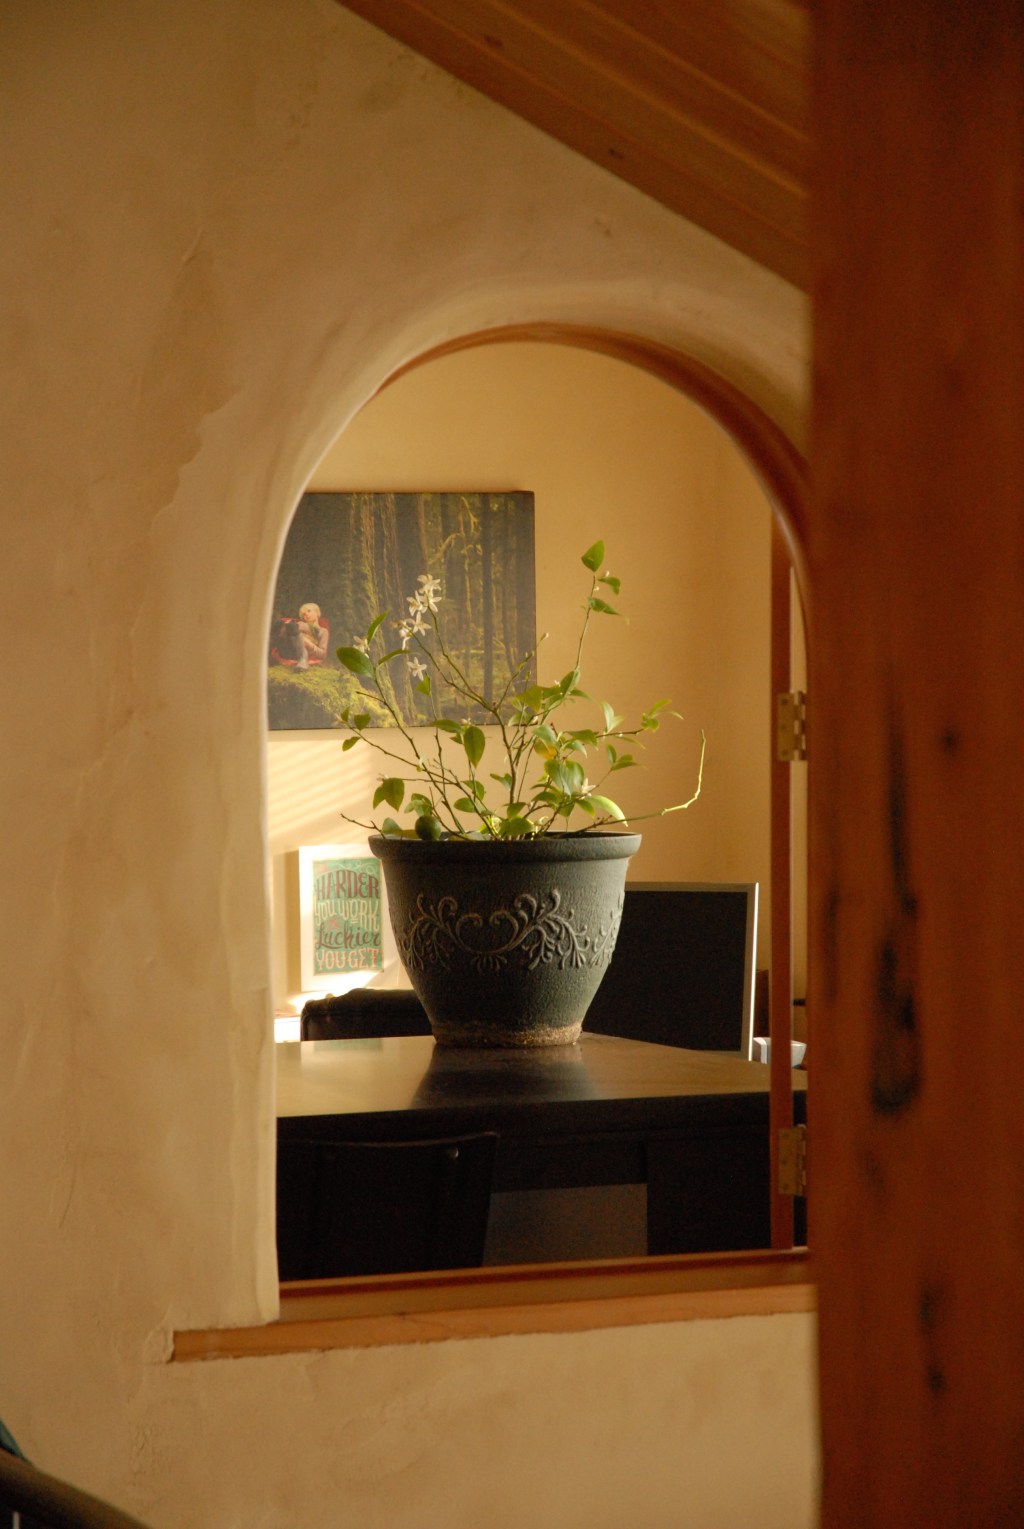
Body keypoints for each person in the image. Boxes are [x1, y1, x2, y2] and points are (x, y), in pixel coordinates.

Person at [270, 601, 329, 669]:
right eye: (303, 614)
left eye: (309, 611)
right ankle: (267, 653)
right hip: (286, 649)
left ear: (317, 612)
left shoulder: (323, 631)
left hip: (297, 654)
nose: (306, 614)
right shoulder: (300, 624)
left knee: (291, 625)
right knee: (280, 623)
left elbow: (322, 654)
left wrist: (308, 643)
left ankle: (303, 658)